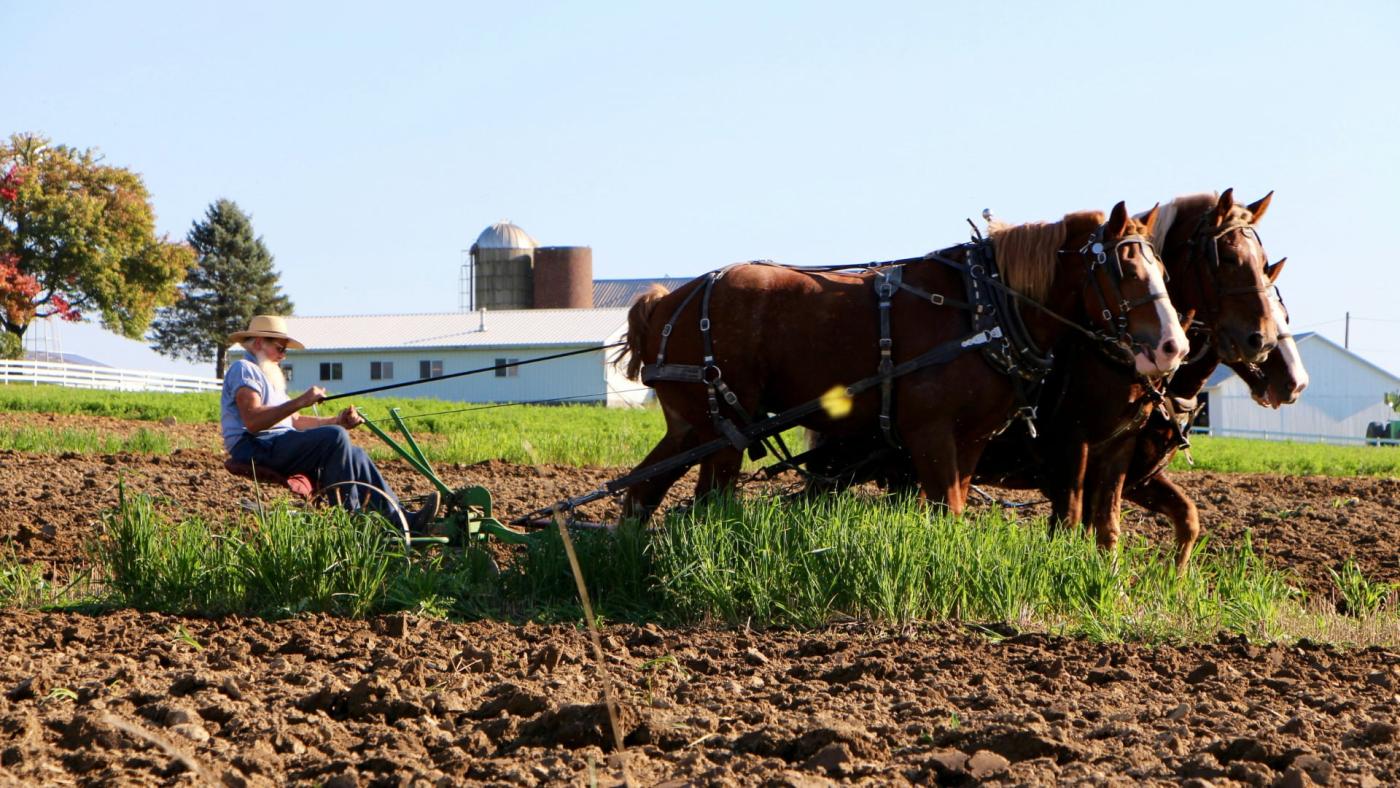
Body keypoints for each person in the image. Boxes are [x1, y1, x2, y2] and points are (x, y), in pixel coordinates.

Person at [220, 314, 439, 531]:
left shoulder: (267, 375)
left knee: (356, 454)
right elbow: (253, 420)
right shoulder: (244, 369)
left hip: (277, 443)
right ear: (258, 343)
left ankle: (401, 522)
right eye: (280, 348)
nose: (283, 355)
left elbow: (294, 422)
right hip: (254, 446)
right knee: (334, 437)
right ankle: (350, 520)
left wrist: (337, 421)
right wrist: (301, 401)